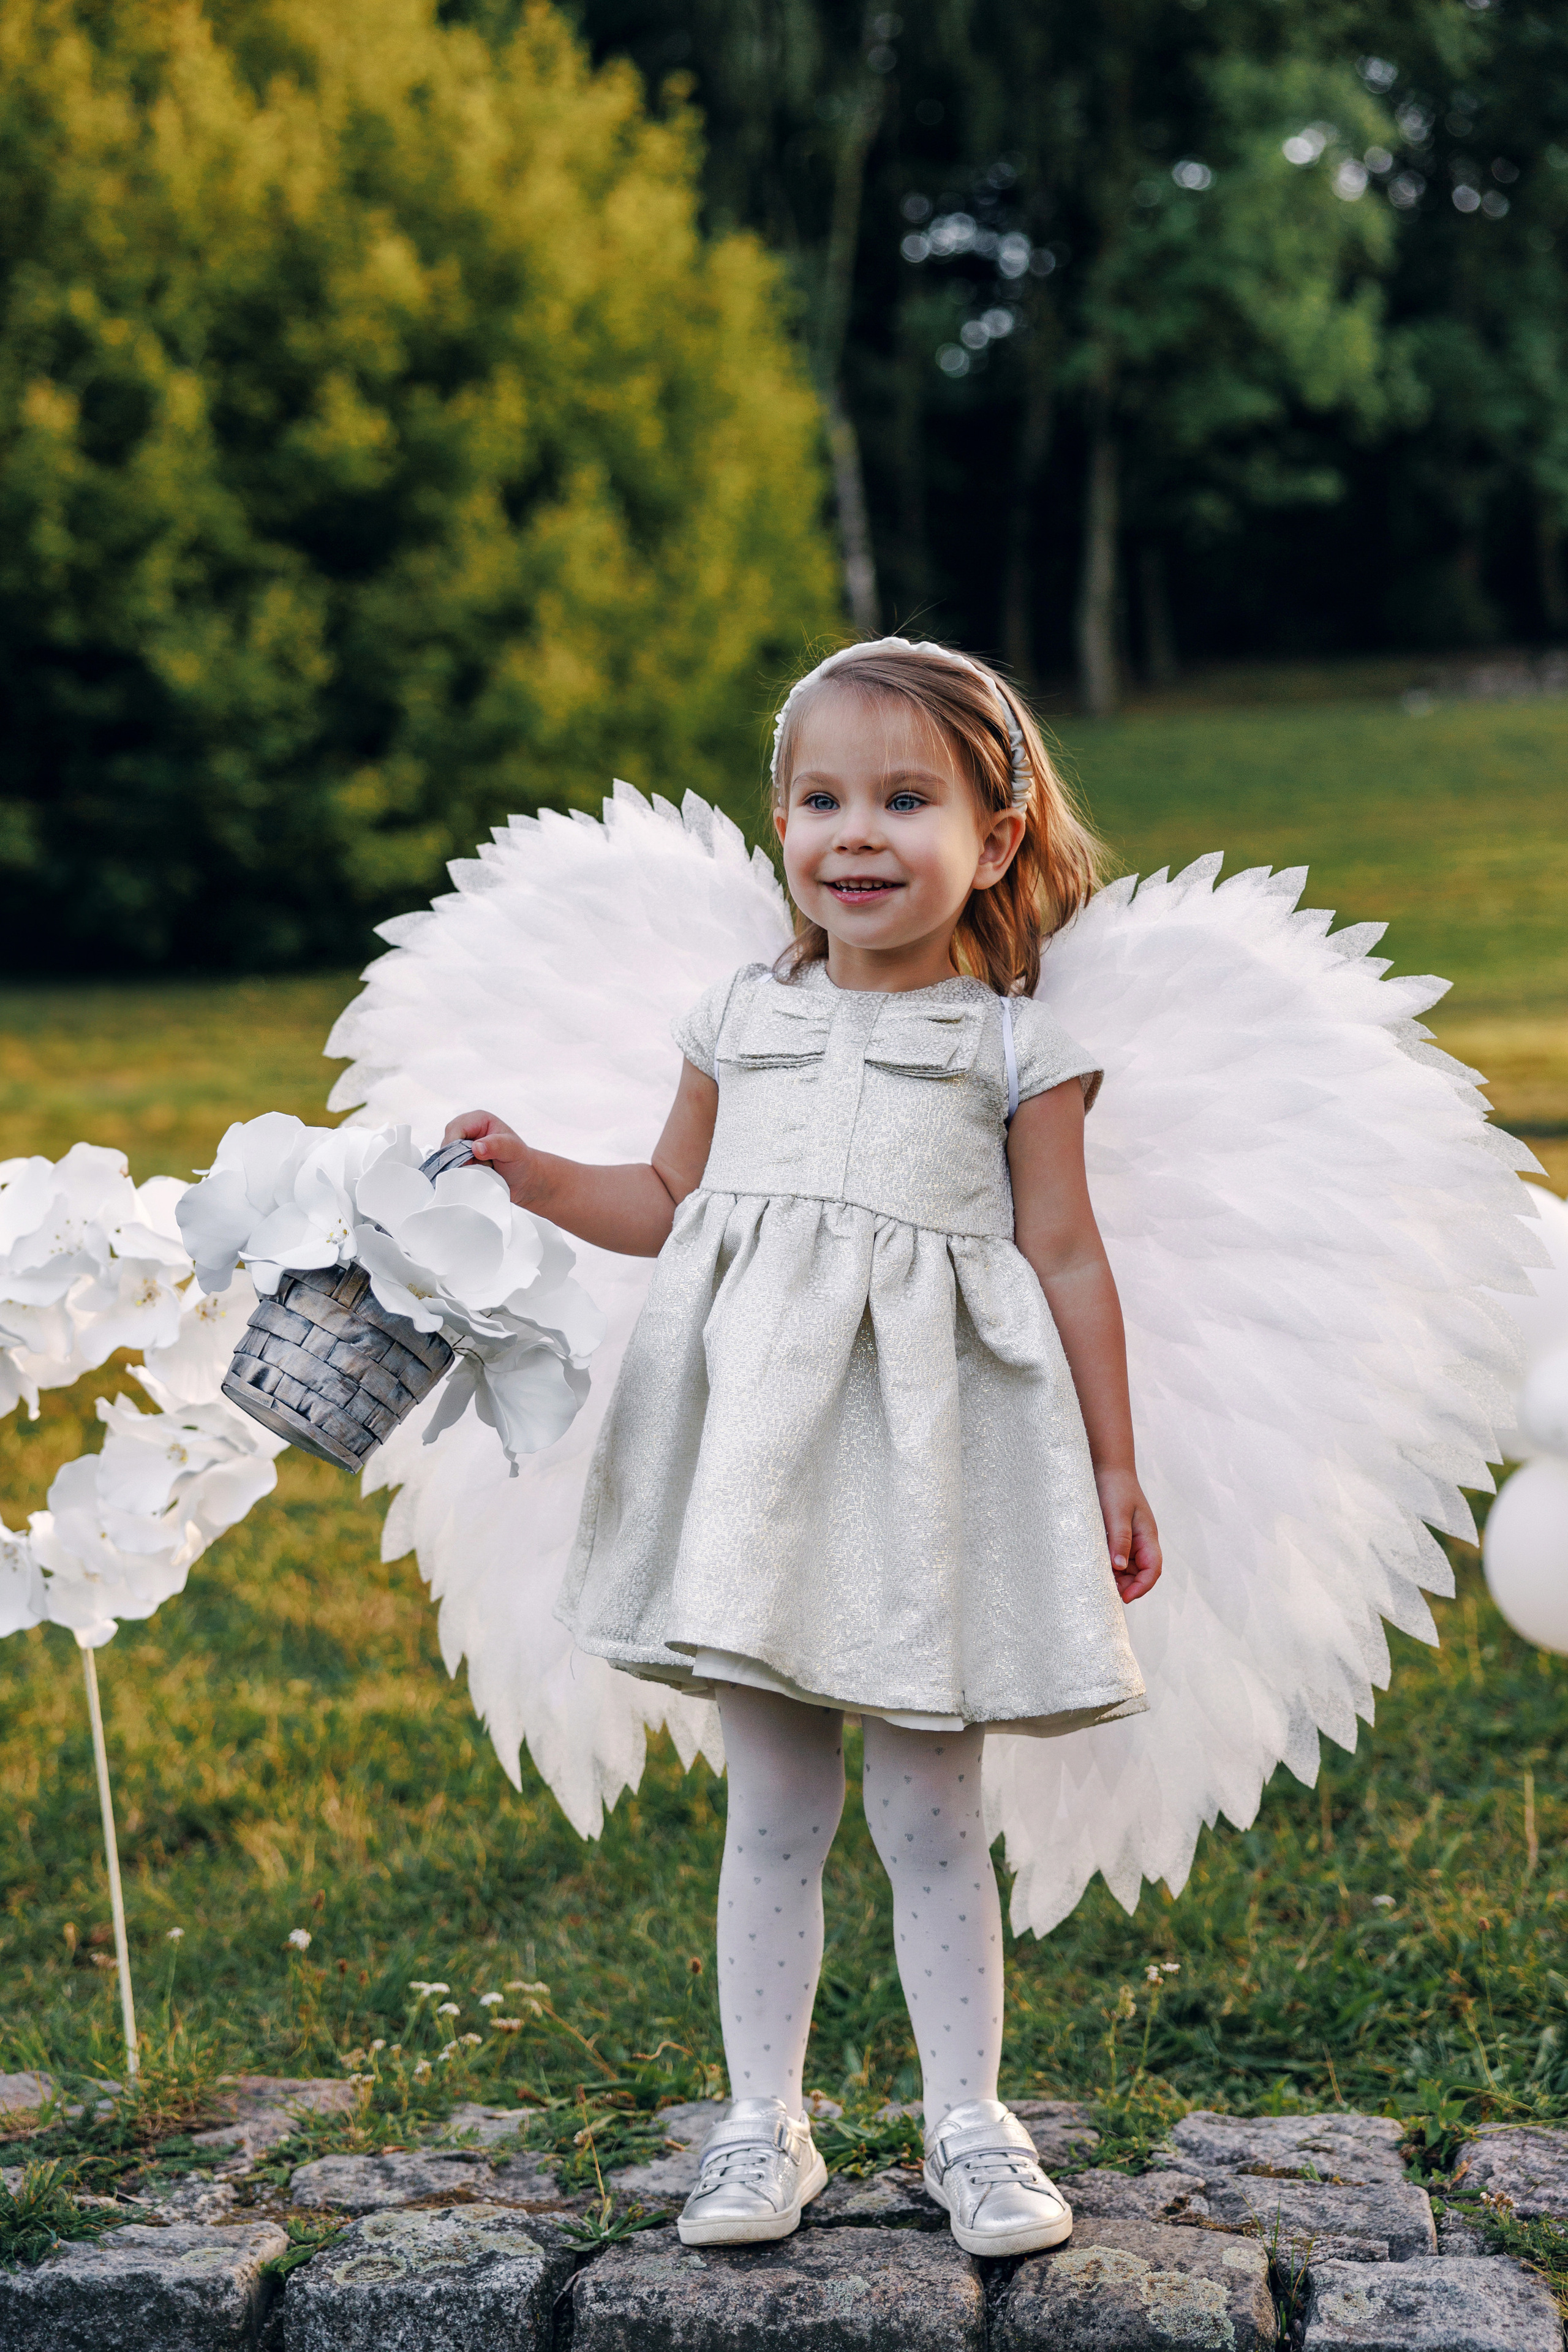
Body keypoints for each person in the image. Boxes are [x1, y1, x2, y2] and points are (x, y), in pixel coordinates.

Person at [443, 638, 1162, 2258]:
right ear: (779, 824)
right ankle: (762, 2123)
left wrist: (1117, 1464)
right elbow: (667, 1200)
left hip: (929, 1472)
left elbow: (1068, 1259)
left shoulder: (1011, 1049)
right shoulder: (739, 1019)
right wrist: (534, 1169)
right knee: (774, 1803)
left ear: (994, 837)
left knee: (928, 1805)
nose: (856, 833)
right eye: (820, 797)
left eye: (906, 799)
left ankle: (969, 2119)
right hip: (755, 1472)